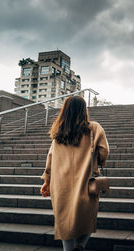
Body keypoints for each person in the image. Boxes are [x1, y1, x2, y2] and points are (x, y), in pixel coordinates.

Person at [40, 96, 109, 251]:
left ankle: (69, 249)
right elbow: (104, 151)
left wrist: (46, 180)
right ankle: (80, 246)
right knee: (87, 217)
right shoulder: (94, 128)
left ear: (65, 111)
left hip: (60, 182)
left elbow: (50, 158)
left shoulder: (58, 134)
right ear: (84, 110)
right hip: (85, 180)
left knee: (64, 219)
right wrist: (97, 162)